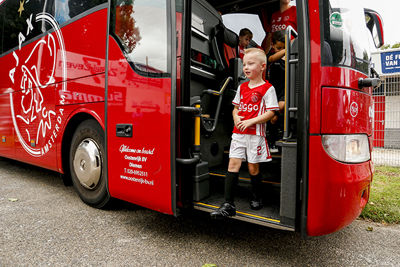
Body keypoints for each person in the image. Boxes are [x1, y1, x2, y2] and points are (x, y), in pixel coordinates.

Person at [210, 48, 279, 218]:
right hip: (238, 134)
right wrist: (236, 118)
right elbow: (236, 109)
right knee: (233, 165)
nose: (246, 68)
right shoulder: (242, 87)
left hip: (255, 135)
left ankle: (257, 196)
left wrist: (251, 121)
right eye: (244, 64)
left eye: (251, 64)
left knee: (252, 167)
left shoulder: (268, 89)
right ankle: (228, 205)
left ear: (263, 66)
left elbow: (271, 112)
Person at [266, 30, 286, 152]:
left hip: (284, 91)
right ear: (273, 45)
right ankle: (271, 142)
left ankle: (276, 140)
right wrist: (287, 49)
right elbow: (272, 58)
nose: (281, 50)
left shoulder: (287, 59)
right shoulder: (271, 56)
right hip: (272, 90)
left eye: (283, 47)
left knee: (280, 108)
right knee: (272, 119)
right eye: (279, 48)